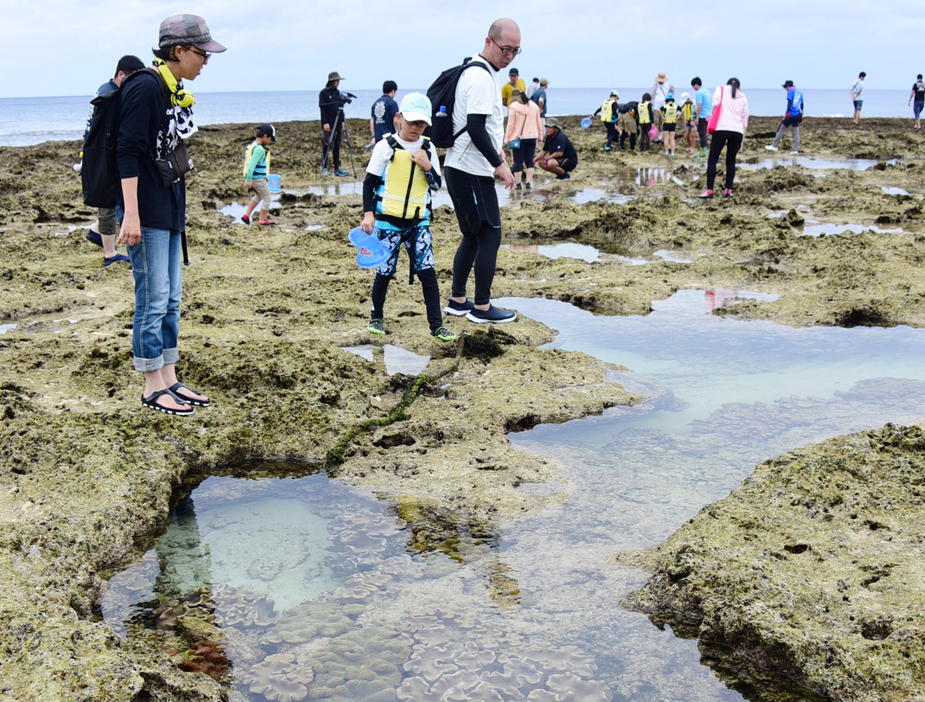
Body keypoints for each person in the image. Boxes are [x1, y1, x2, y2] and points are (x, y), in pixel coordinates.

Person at [117, 14, 225, 415]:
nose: (206, 61)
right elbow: (126, 152)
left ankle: (169, 376)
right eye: (201, 53)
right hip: (145, 209)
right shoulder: (145, 87)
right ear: (177, 51)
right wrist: (130, 214)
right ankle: (150, 386)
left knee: (172, 298)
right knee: (153, 296)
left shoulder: (172, 87)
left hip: (169, 205)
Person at [360, 93, 455, 343]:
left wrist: (427, 165)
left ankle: (436, 326)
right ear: (399, 118)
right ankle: (376, 317)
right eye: (412, 122)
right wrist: (368, 214)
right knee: (384, 272)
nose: (416, 128)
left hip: (418, 224)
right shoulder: (385, 147)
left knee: (428, 273)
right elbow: (369, 183)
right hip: (387, 223)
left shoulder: (428, 148)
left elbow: (436, 186)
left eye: (421, 124)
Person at [444, 18, 519, 325]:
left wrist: (497, 150)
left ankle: (458, 300)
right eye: (505, 48)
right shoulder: (481, 78)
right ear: (488, 42)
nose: (510, 56)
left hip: (460, 167)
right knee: (491, 235)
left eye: (516, 51)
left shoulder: (476, 71)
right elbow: (475, 126)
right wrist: (499, 164)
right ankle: (482, 308)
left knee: (472, 236)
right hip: (471, 170)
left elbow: (479, 126)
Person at [83, 55, 145, 267]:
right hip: (101, 156)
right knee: (108, 204)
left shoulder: (104, 90)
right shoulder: (112, 95)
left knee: (110, 202)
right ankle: (110, 253)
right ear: (121, 75)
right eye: (132, 80)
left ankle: (96, 231)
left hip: (95, 153)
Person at [698, 78, 748, 199]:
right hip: (737, 131)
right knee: (731, 161)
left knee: (712, 160)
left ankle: (710, 190)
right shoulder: (743, 97)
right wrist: (742, 140)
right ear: (738, 86)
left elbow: (715, 105)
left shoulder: (720, 89)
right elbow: (745, 118)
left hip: (721, 128)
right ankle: (728, 191)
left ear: (728, 84)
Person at [504, 88, 542, 188]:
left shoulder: (513, 107)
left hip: (518, 139)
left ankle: (518, 184)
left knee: (518, 162)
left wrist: (506, 139)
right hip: (532, 137)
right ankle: (528, 183)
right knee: (530, 161)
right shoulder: (534, 106)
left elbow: (510, 125)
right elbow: (538, 123)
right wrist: (540, 136)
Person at [241, 124, 277, 226]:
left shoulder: (253, 145)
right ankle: (262, 220)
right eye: (270, 139)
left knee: (258, 196)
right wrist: (248, 179)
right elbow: (251, 165)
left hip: (254, 178)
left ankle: (246, 215)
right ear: (265, 136)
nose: (270, 142)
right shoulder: (260, 150)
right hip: (257, 179)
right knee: (267, 197)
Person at [319, 71, 349, 177]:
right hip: (329, 123)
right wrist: (325, 123)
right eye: (337, 81)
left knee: (337, 145)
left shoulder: (337, 93)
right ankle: (324, 168)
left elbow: (340, 108)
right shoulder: (323, 93)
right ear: (332, 81)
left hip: (337, 124)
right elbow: (322, 110)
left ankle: (336, 168)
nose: (338, 83)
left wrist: (342, 122)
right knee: (326, 145)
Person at [765, 80, 803, 154]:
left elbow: (789, 103)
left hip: (791, 114)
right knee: (796, 132)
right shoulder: (799, 93)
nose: (785, 89)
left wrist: (787, 113)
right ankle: (795, 150)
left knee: (781, 129)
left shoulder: (790, 92)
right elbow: (802, 105)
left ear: (788, 86)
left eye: (785, 87)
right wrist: (801, 115)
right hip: (797, 114)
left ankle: (774, 146)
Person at [370, 81, 400, 145]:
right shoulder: (392, 103)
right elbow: (396, 121)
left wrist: (373, 136)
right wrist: (400, 133)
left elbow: (372, 121)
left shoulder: (375, 103)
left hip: (378, 138)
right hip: (390, 138)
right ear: (393, 91)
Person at [691, 77, 712, 158]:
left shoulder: (699, 93)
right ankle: (704, 151)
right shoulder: (706, 91)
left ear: (696, 84)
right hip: (708, 115)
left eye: (693, 86)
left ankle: (702, 152)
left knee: (702, 134)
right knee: (704, 134)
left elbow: (699, 105)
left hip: (702, 116)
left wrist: (696, 117)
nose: (693, 88)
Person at [650, 72, 673, 141]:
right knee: (656, 121)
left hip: (664, 107)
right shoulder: (654, 86)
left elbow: (671, 95)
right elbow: (651, 95)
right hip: (655, 107)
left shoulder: (667, 86)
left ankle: (660, 136)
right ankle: (655, 136)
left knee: (662, 122)